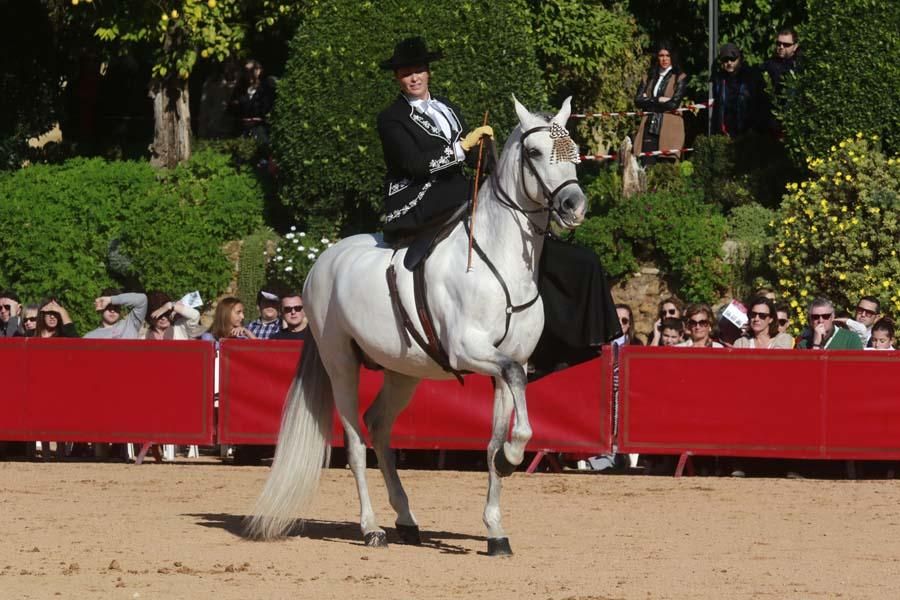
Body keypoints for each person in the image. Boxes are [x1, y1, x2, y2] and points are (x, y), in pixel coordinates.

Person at [376, 36, 493, 240]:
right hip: (416, 193)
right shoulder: (391, 118)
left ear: (428, 72)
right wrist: (462, 147)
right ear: (397, 78)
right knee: (471, 194)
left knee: (499, 190)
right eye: (406, 74)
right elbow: (413, 164)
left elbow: (474, 158)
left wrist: (490, 153)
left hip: (453, 185)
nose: (414, 79)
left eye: (419, 71)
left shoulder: (447, 106)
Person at [633, 40, 688, 166]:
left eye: (667, 56)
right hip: (649, 126)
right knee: (646, 165)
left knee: (666, 168)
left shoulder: (680, 77)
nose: (664, 59)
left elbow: (674, 104)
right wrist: (658, 99)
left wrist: (649, 100)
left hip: (670, 128)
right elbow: (638, 100)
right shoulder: (648, 77)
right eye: (661, 55)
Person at [712, 43, 766, 137]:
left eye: (732, 59)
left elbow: (760, 104)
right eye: (725, 60)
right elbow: (718, 108)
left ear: (740, 59)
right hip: (727, 132)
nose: (729, 63)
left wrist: (755, 128)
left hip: (748, 131)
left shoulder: (751, 78)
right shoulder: (720, 80)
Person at [231, 59, 275, 144]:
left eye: (251, 70)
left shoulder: (265, 88)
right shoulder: (240, 89)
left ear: (259, 70)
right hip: (243, 130)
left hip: (261, 129)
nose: (249, 74)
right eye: (246, 71)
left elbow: (268, 107)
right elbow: (233, 108)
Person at [797, 297, 864, 350]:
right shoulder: (803, 345)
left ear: (832, 317)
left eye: (825, 316)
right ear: (811, 320)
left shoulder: (851, 339)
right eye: (815, 317)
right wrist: (816, 345)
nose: (821, 320)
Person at [83, 289, 148, 339]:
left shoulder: (131, 324)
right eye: (108, 306)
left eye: (116, 306)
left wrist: (111, 300)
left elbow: (142, 299)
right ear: (101, 309)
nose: (112, 310)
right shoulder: (90, 337)